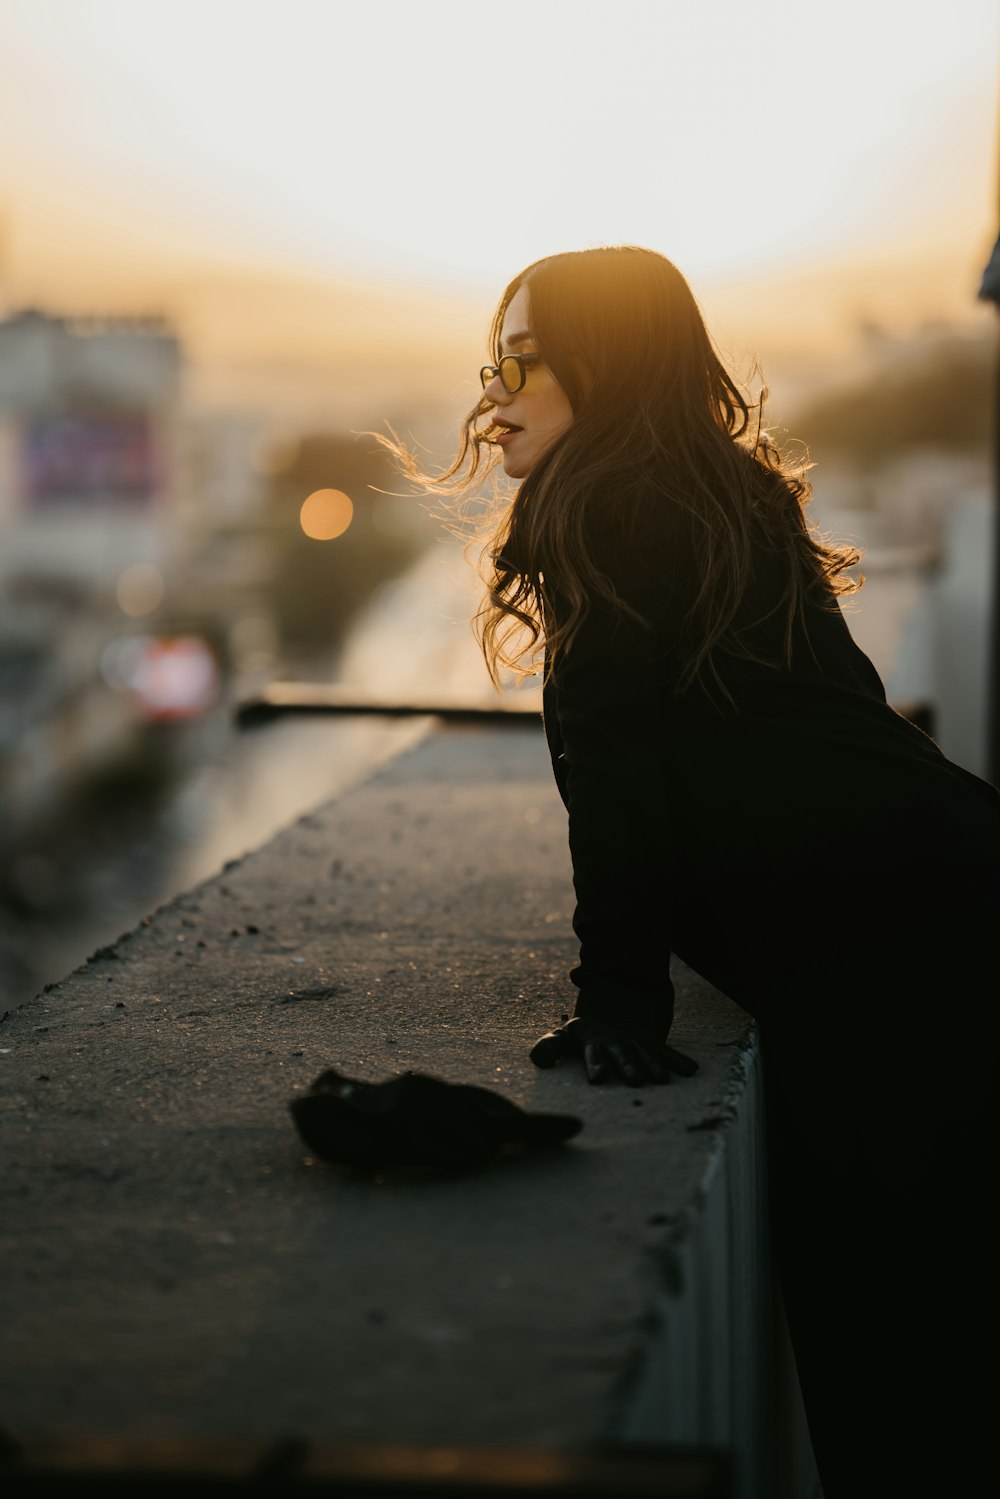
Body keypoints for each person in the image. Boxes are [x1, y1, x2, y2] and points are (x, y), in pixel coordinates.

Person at [391, 246, 999, 1496]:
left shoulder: (605, 510)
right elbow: (856, 708)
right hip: (944, 893)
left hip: (885, 962)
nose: (490, 398)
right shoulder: (727, 491)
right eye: (488, 365)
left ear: (601, 369)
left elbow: (618, 777)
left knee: (891, 1351)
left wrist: (619, 997)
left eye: (519, 361)